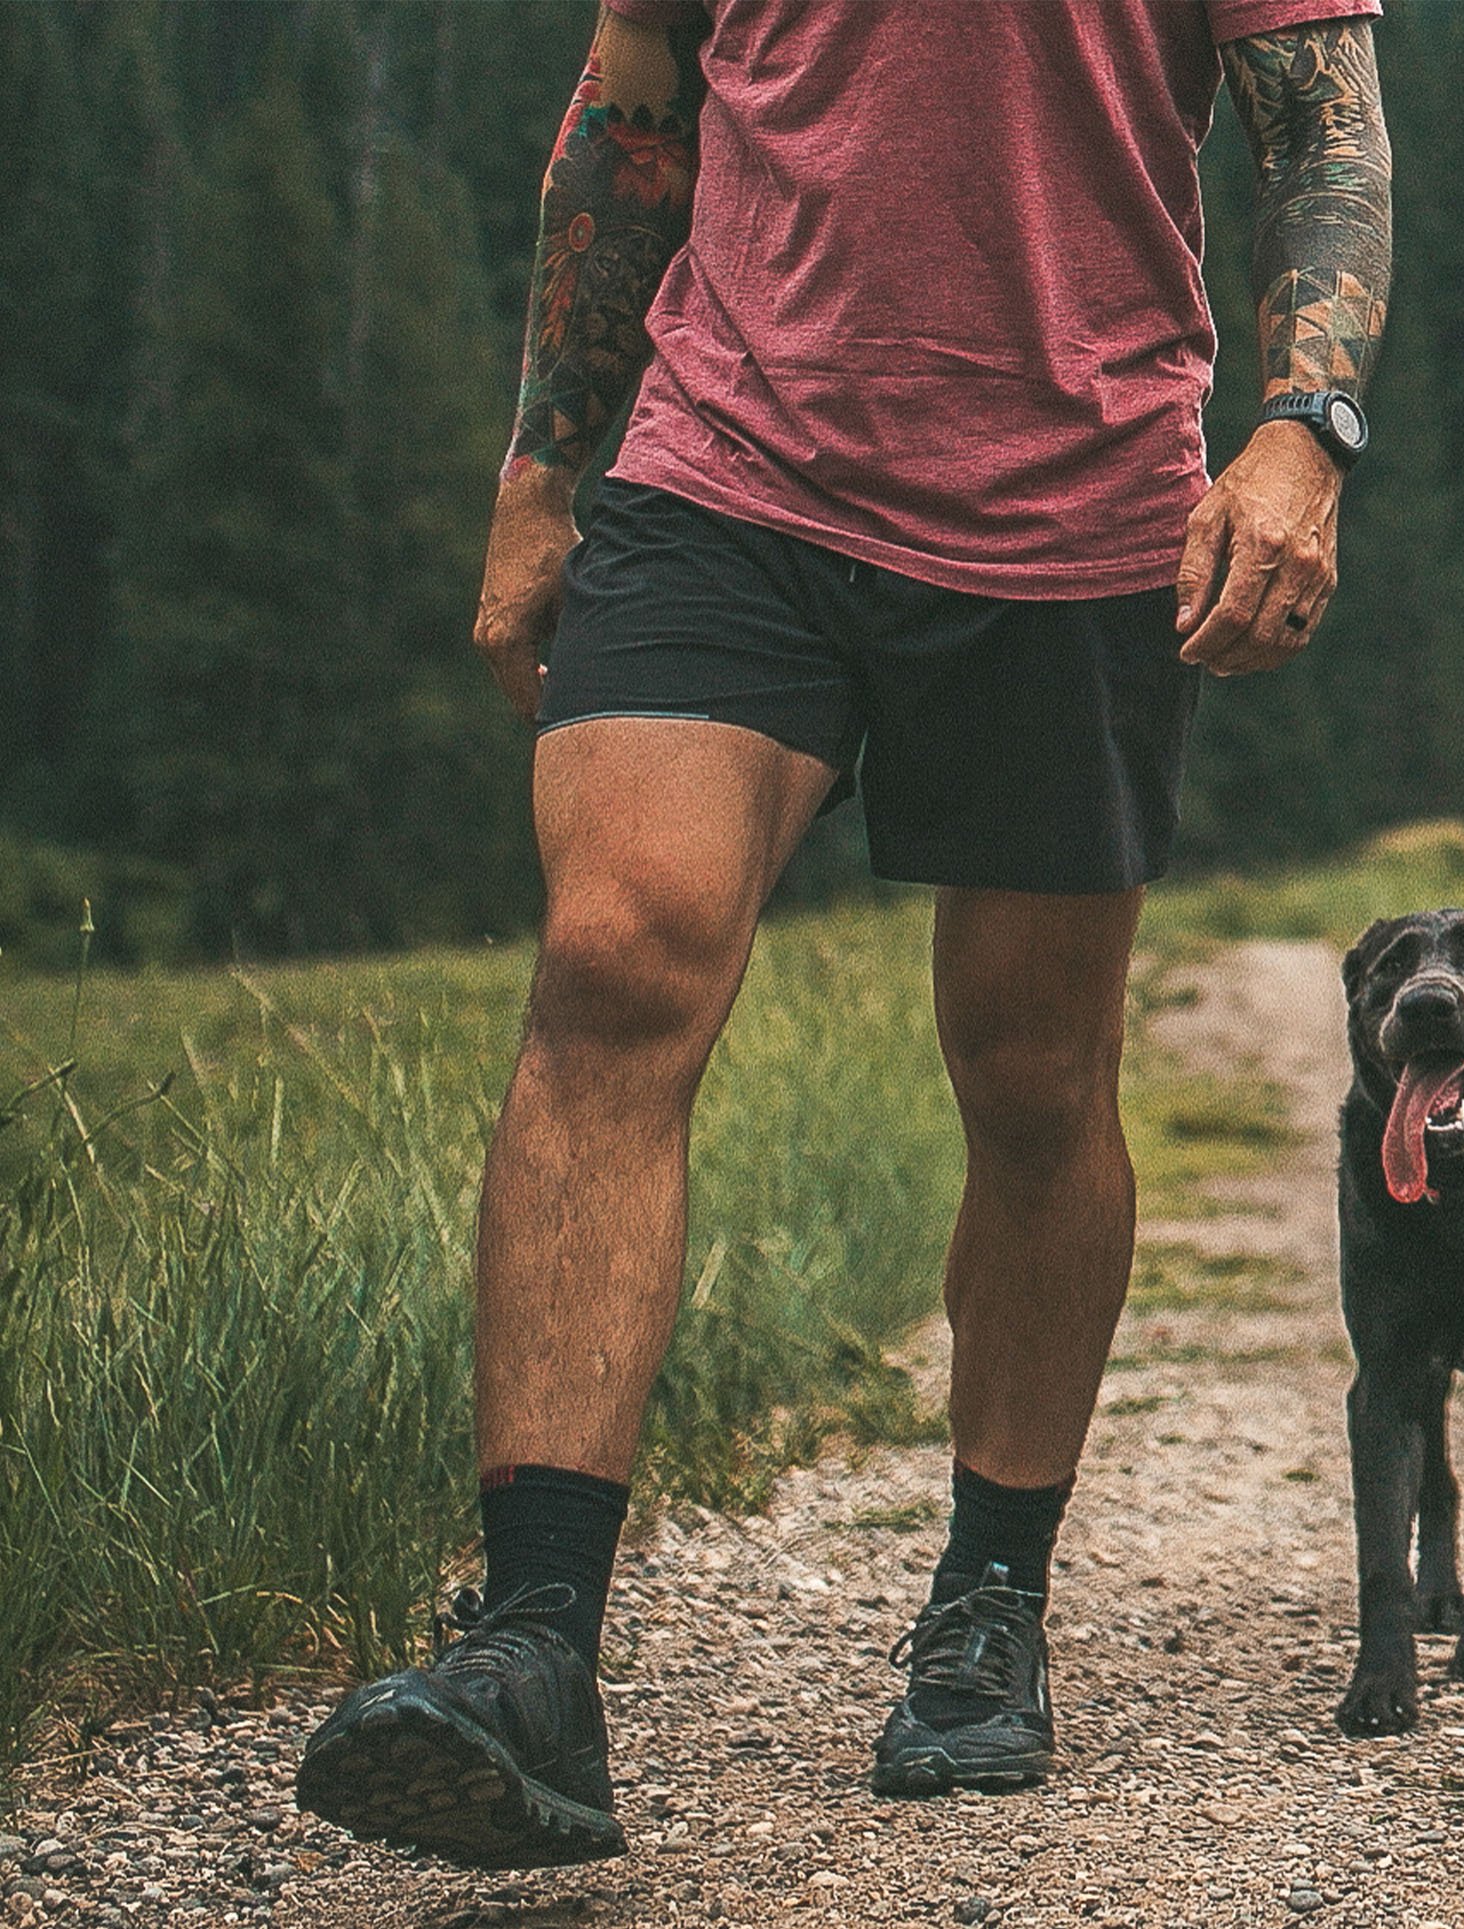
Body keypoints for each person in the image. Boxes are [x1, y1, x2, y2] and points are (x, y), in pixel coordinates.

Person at [295, 0, 1389, 1868]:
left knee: (1034, 1074)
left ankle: (985, 1597)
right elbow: (633, 111)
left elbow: (1326, 137)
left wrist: (1304, 430)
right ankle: (532, 1643)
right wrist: (545, 467)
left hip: (1068, 516)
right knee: (613, 961)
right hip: (724, 473)